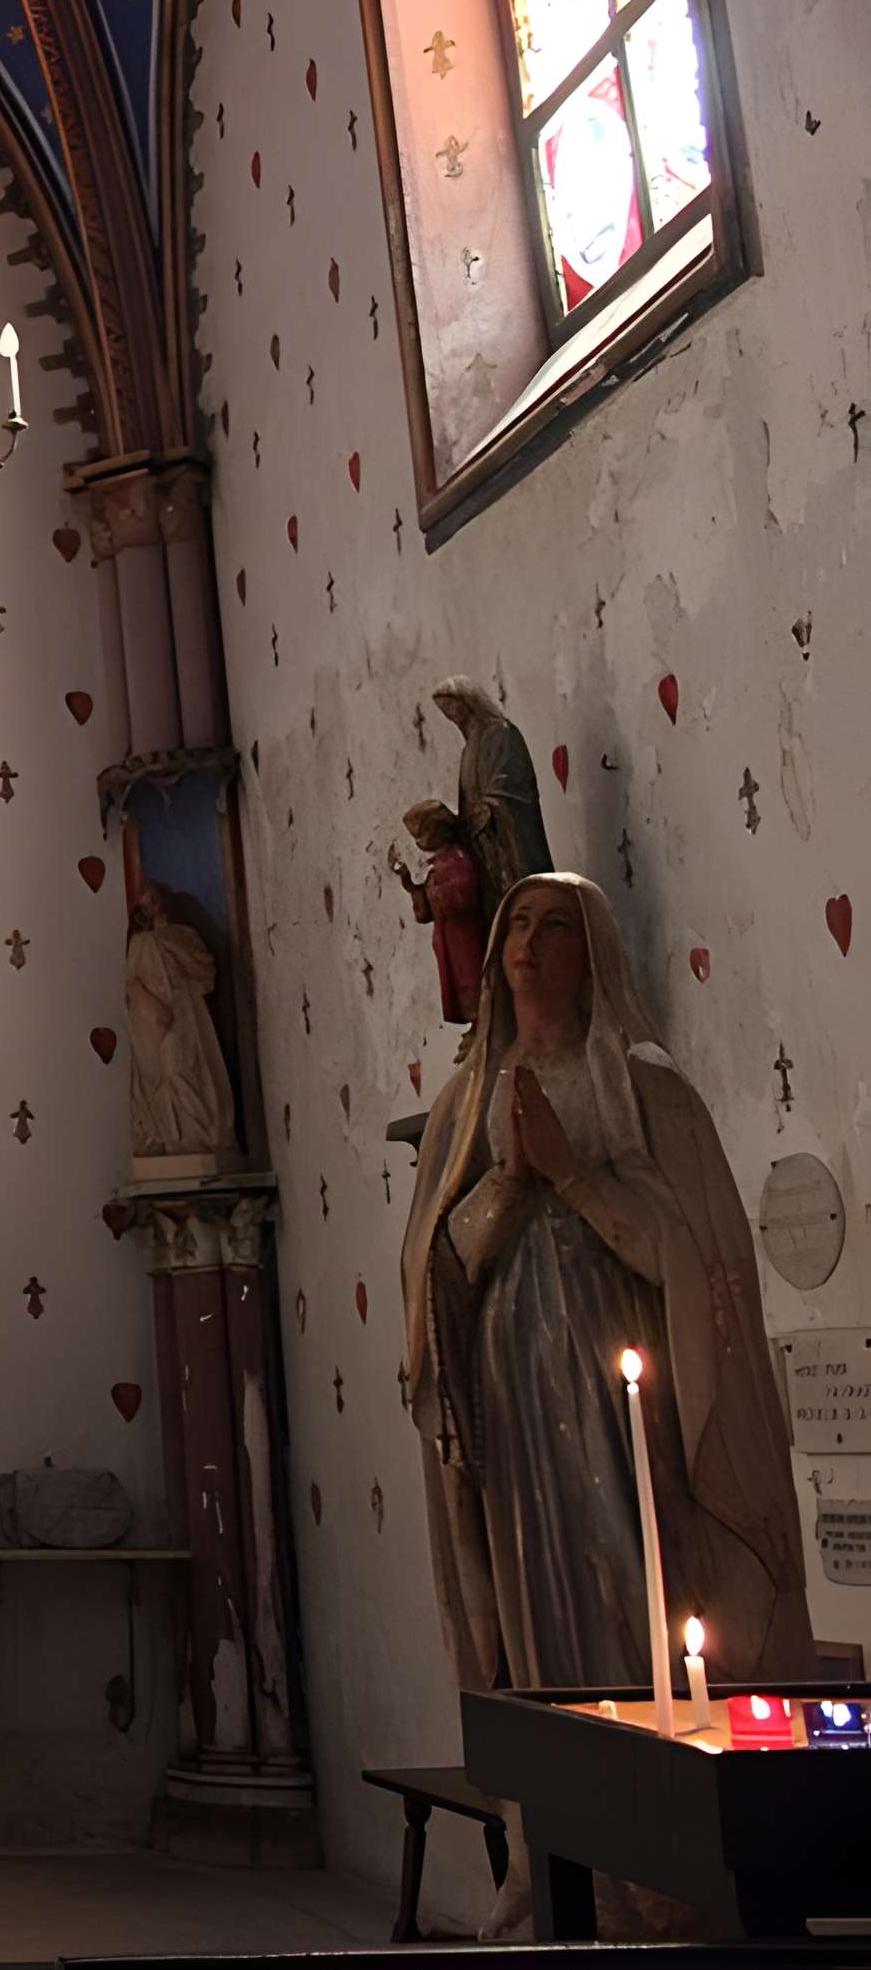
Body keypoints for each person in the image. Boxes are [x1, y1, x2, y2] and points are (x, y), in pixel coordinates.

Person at [400, 874, 812, 1703]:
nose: (529, 942)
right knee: (541, 1569)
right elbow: (435, 1267)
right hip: (515, 1384)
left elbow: (687, 1254)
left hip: (623, 1373)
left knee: (635, 1558)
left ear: (593, 957)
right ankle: (560, 1751)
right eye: (518, 924)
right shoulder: (463, 1106)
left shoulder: (645, 1091)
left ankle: (655, 1733)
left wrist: (573, 1176)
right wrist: (508, 1183)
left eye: (555, 926)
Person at [123, 886, 236, 1161]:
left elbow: (203, 972)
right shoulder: (149, 943)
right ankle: (186, 1137)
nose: (147, 906)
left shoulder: (161, 941)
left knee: (184, 1072)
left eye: (151, 899)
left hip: (179, 1018)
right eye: (143, 902)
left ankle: (193, 1137)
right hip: (165, 1021)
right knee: (176, 1074)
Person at [432, 676, 556, 910]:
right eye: (444, 710)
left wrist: (489, 807)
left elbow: (510, 784)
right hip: (482, 838)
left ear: (468, 701)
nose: (450, 715)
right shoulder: (469, 748)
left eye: (451, 706)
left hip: (508, 830)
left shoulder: (501, 733)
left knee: (525, 893)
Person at [389, 799, 486, 1030]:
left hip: (463, 937)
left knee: (471, 978)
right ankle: (476, 1024)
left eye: (420, 836)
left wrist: (437, 892)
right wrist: (410, 885)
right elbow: (427, 911)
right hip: (447, 939)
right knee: (458, 982)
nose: (419, 842)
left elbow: (465, 896)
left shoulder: (457, 860)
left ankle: (483, 1021)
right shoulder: (437, 865)